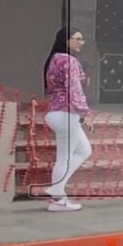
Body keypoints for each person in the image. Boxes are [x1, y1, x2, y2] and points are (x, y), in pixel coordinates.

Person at [39, 28, 91, 211]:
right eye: (77, 39)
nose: (81, 42)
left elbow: (72, 82)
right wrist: (85, 112)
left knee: (84, 150)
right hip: (67, 114)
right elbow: (74, 89)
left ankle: (57, 189)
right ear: (66, 41)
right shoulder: (69, 60)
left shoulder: (53, 59)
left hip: (55, 113)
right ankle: (57, 199)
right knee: (65, 158)